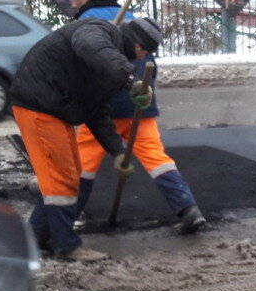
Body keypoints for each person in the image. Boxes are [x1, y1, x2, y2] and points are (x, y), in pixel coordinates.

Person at [66, 0, 206, 235]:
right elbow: (146, 63)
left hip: (103, 108)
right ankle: (188, 209)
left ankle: (70, 216)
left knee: (83, 161)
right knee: (156, 157)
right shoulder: (128, 17)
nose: (72, 3)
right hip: (140, 105)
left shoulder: (86, 22)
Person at [10, 13, 155, 261]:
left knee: (67, 175)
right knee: (61, 178)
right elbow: (89, 45)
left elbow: (96, 110)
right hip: (39, 104)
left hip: (55, 108)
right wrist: (131, 80)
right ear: (139, 46)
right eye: (145, 53)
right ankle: (66, 245)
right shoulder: (99, 31)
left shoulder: (108, 65)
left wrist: (117, 152)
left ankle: (35, 237)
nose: (143, 59)